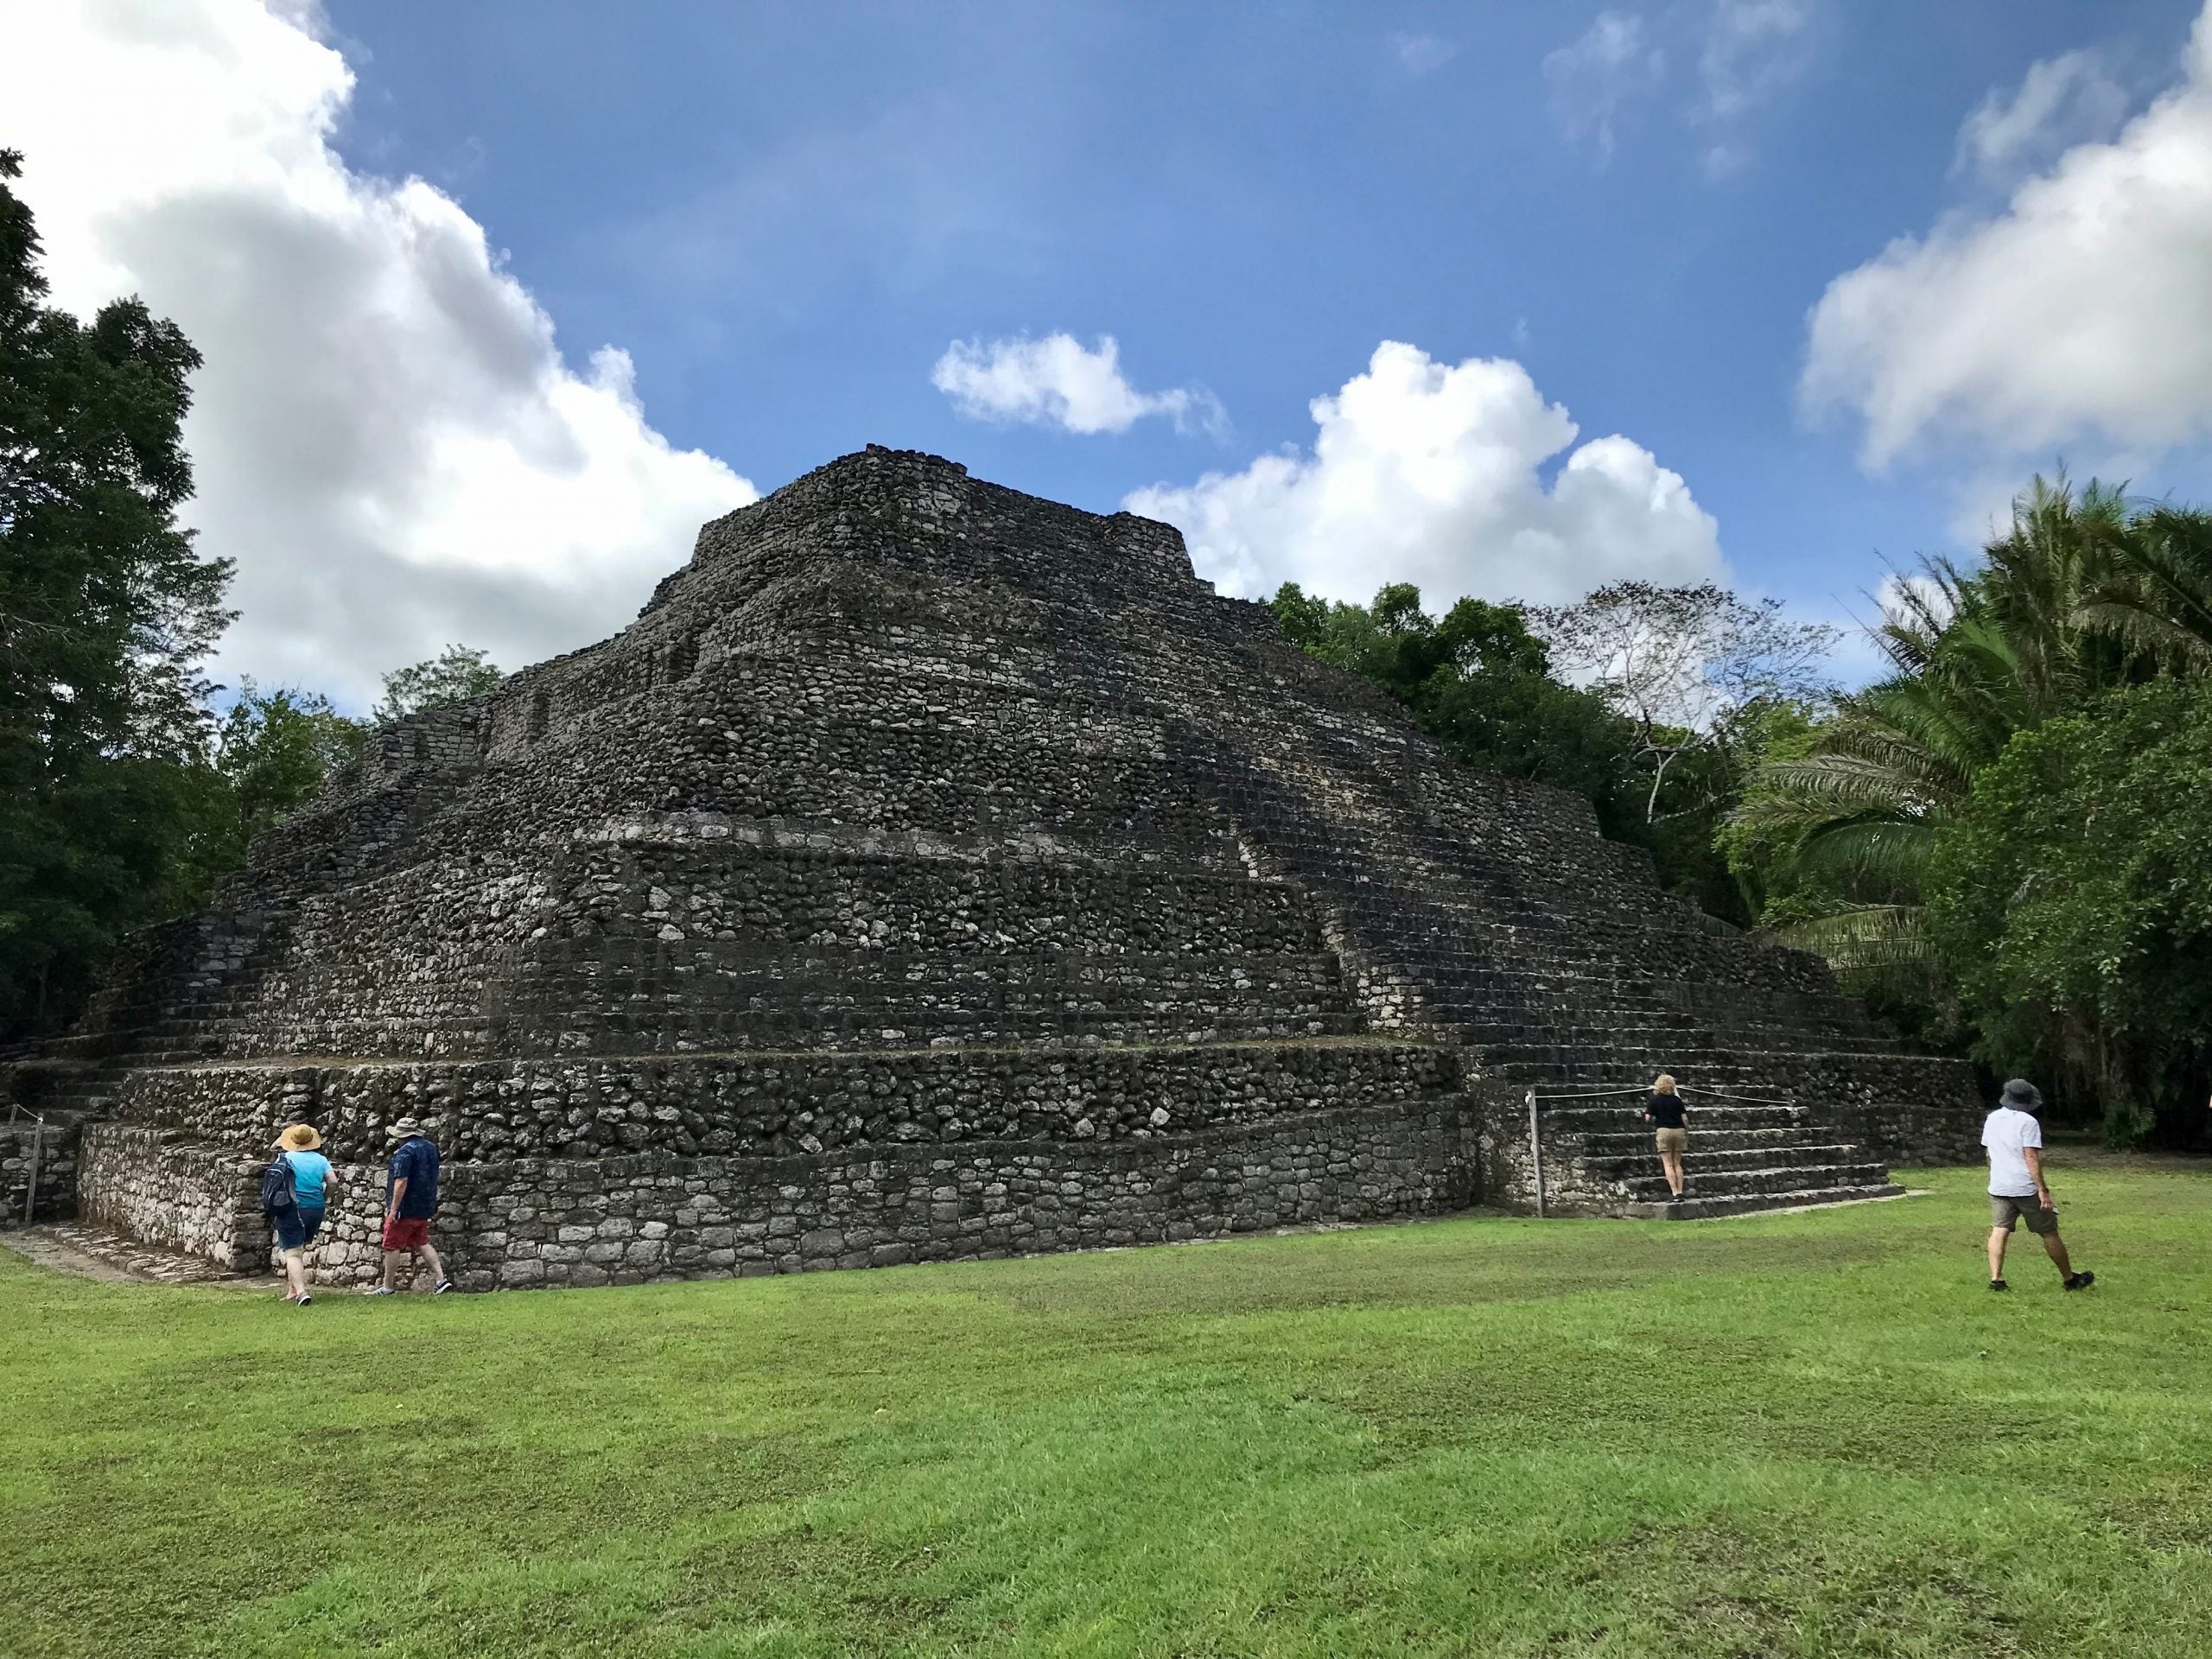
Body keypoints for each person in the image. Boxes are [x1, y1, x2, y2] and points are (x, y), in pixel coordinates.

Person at [1983, 1078, 2094, 1293]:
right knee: (2048, 1231)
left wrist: (1996, 1173)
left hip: (1999, 1184)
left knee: (1999, 1229)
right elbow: (2031, 1156)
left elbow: (1988, 1152)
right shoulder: (2028, 1122)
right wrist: (2043, 1190)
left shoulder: (1992, 1118)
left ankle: (1996, 1279)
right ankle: (2070, 1278)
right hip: (2024, 1186)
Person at [370, 1117, 454, 1294]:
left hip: (405, 1207)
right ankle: (441, 1279)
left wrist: (393, 1210)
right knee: (422, 1241)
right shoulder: (430, 1148)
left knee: (391, 1245)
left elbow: (401, 1181)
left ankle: (388, 1286)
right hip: (424, 1204)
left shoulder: (404, 1153)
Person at [1643, 1073, 1688, 1201]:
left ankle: (1674, 1192)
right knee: (1677, 1164)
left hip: (1664, 1130)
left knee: (1668, 1164)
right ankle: (1680, 1191)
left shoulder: (1654, 1100)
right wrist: (1686, 1130)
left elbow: (1647, 1118)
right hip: (1679, 1130)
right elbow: (1684, 1118)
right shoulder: (1677, 1100)